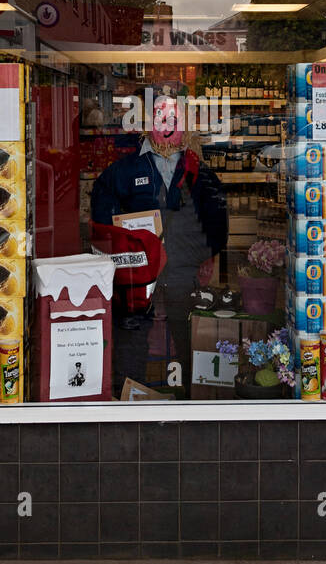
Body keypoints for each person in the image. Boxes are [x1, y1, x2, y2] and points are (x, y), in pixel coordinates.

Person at [91, 94, 228, 394]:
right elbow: (102, 205)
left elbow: (217, 220)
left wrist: (203, 254)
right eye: (160, 119)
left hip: (182, 273)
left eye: (173, 120)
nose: (166, 126)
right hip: (139, 276)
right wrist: (123, 244)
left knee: (186, 332)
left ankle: (192, 395)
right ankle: (130, 394)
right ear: (149, 125)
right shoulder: (125, 170)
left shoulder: (198, 172)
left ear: (185, 127)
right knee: (134, 333)